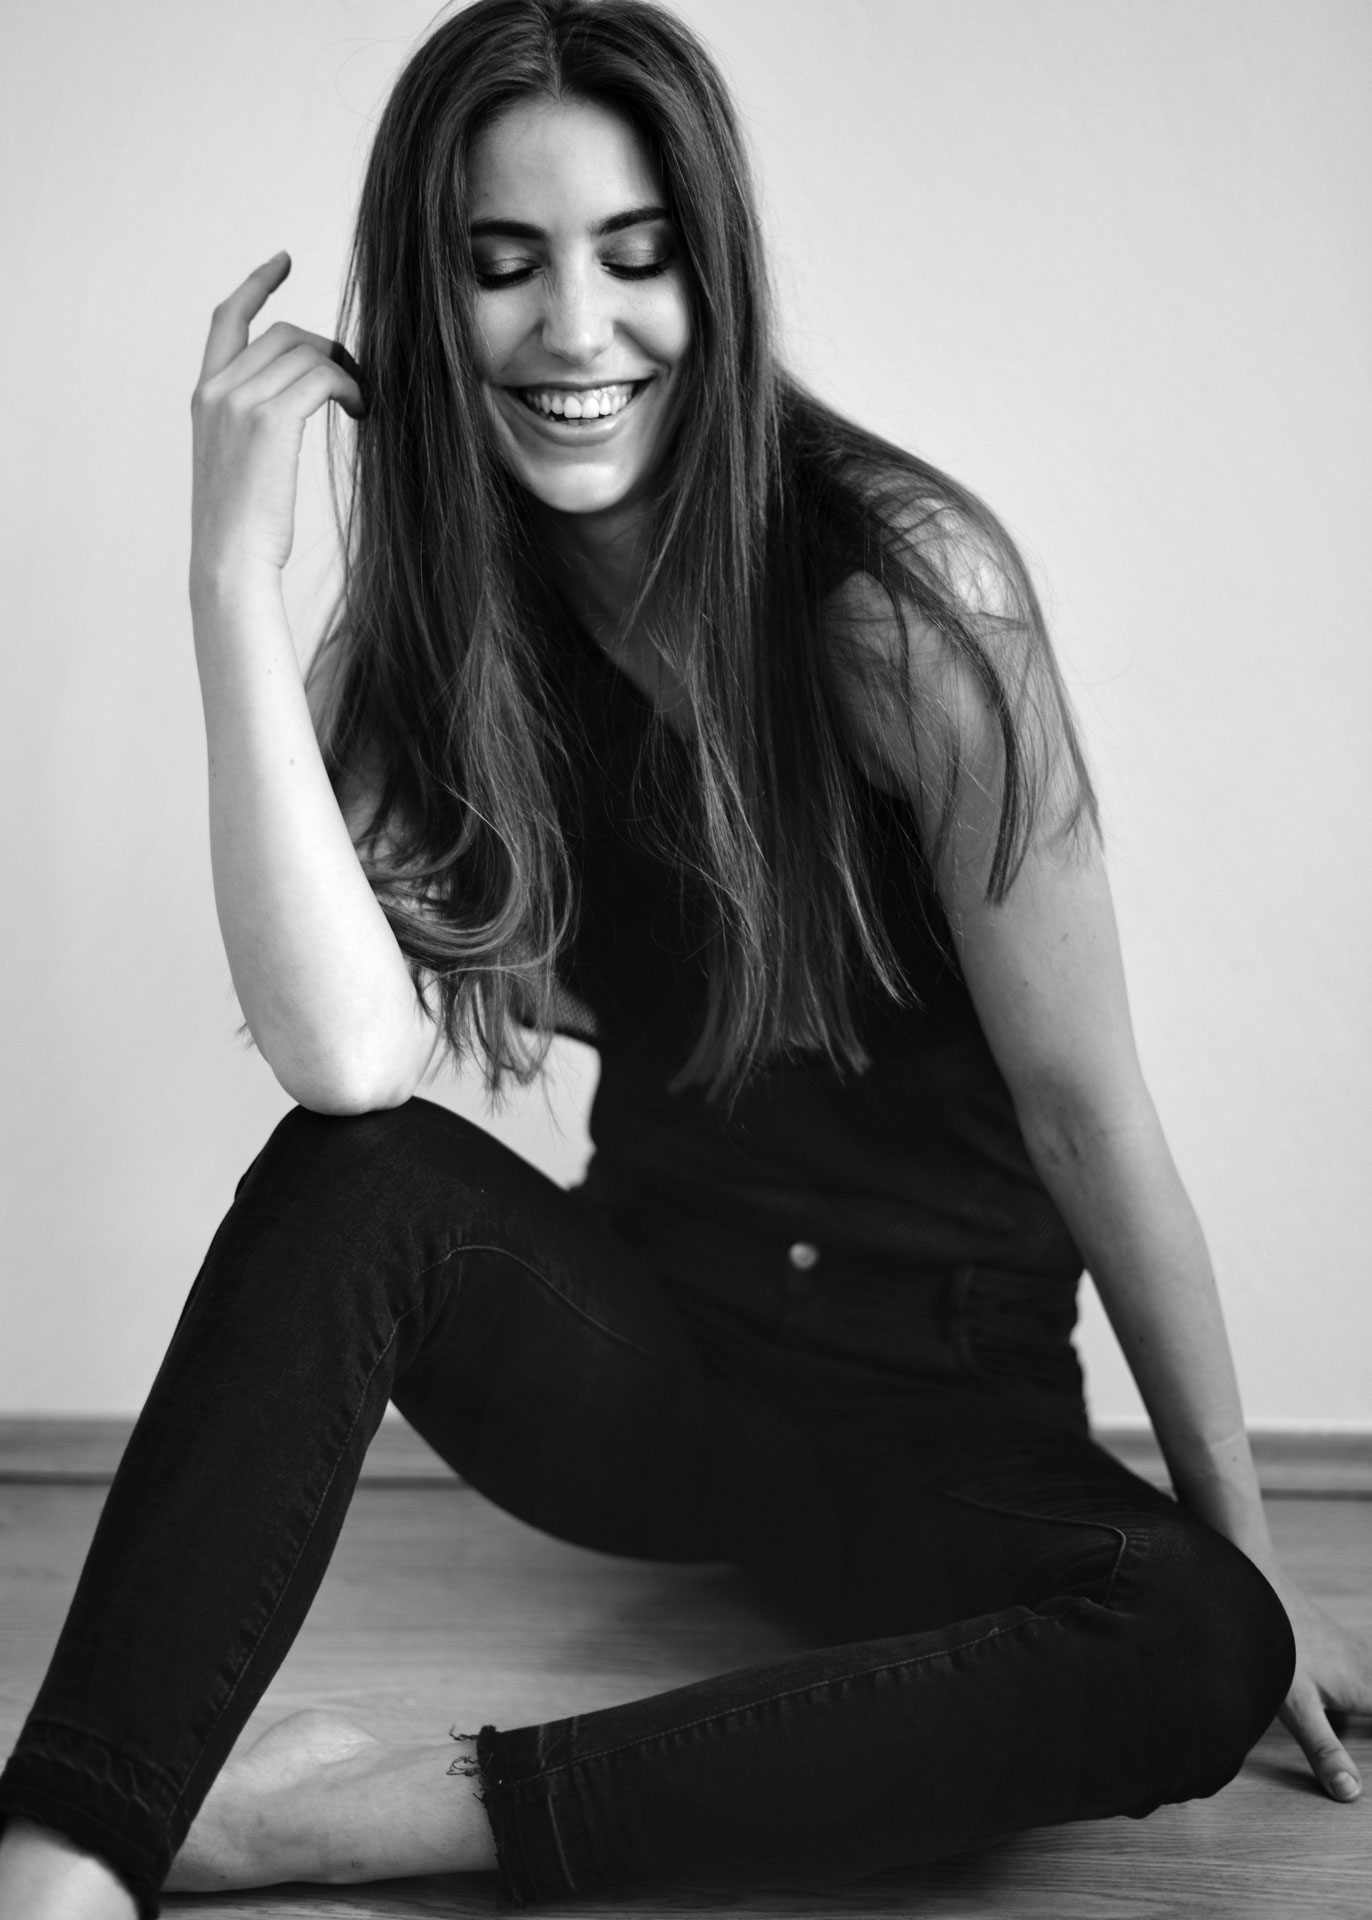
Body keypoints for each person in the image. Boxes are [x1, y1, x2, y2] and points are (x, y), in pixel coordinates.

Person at [2, 0, 1369, 1913]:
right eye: (504, 264)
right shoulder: (434, 641)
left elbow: (1087, 1112)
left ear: (712, 279)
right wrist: (227, 574)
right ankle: (70, 1838)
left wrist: (1250, 1559)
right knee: (356, 1178)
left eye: (636, 257)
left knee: (1194, 1649)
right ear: (428, 301)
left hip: (943, 1412)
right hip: (659, 1376)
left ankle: (361, 1814)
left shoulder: (904, 608)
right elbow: (345, 1069)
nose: (577, 328)